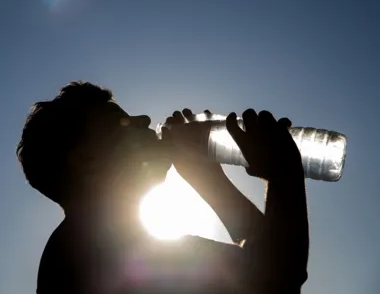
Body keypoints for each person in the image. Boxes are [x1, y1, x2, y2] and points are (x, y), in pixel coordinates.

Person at [17, 81, 309, 294]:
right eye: (117, 122)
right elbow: (275, 279)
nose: (143, 119)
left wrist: (209, 180)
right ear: (85, 159)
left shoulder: (105, 241)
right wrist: (282, 172)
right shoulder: (92, 251)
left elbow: (264, 267)